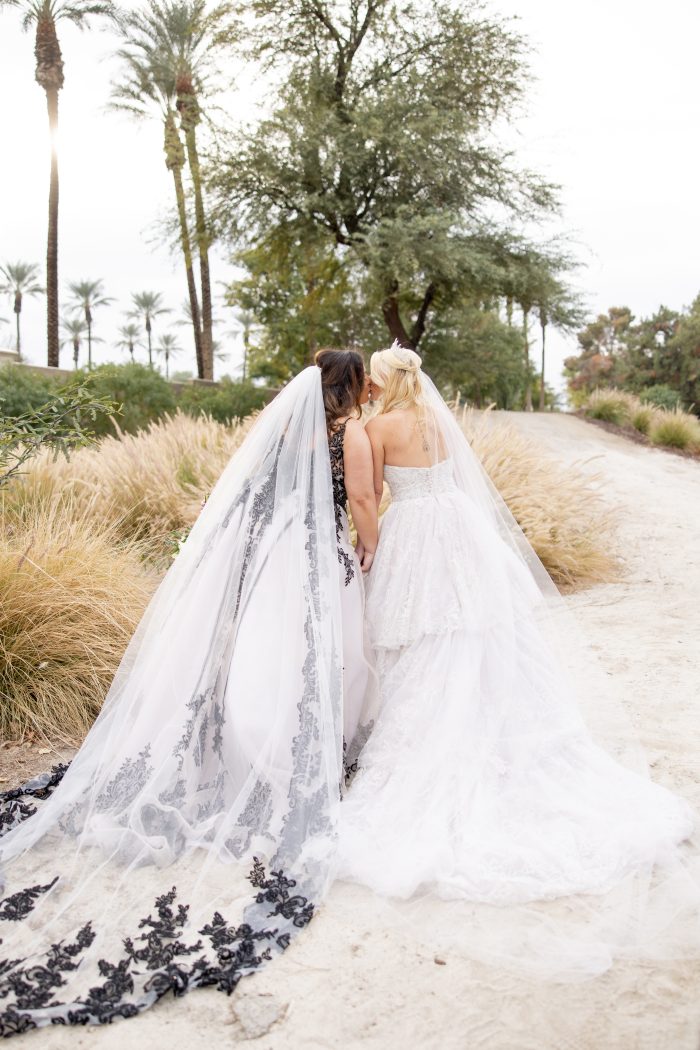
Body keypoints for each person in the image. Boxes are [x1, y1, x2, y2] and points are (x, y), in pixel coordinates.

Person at [0, 351, 377, 1036]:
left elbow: (254, 485)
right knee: (314, 652)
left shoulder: (283, 421)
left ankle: (237, 742)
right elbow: (354, 499)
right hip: (313, 549)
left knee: (261, 650)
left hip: (268, 545)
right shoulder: (345, 432)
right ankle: (286, 755)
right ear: (350, 389)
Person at [335, 342, 698, 978]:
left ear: (382, 382)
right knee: (480, 633)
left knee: (424, 638)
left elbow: (368, 500)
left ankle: (439, 748)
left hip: (416, 534)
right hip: (463, 532)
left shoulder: (372, 429)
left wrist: (370, 551)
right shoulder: (437, 420)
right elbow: (454, 480)